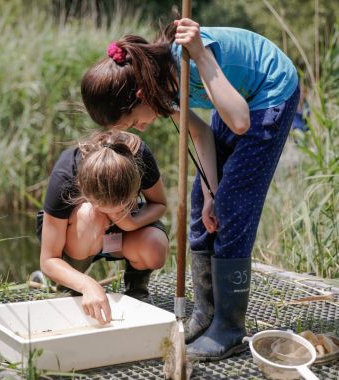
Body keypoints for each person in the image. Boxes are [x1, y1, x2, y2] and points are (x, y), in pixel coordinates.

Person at [80, 18, 299, 360]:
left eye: (134, 121)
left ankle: (228, 326)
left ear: (139, 95)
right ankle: (206, 314)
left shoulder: (188, 58)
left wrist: (201, 53)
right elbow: (202, 135)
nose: (140, 128)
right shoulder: (160, 87)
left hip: (269, 92)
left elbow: (240, 121)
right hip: (236, 95)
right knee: (203, 200)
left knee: (232, 206)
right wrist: (211, 190)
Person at [36, 130, 169, 325]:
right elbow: (48, 259)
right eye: (106, 209)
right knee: (90, 216)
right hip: (78, 234)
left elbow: (160, 204)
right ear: (82, 186)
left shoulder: (140, 156)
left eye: (121, 208)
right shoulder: (65, 175)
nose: (112, 216)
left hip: (124, 234)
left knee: (155, 248)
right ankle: (73, 285)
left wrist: (129, 221)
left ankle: (136, 287)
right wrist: (87, 285)